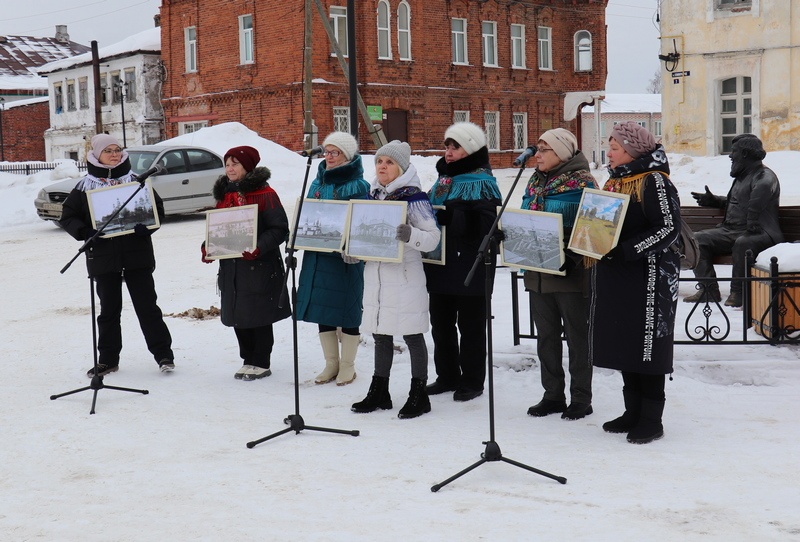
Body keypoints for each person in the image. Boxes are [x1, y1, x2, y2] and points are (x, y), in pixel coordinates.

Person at [589, 121, 681, 445]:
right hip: (620, 276)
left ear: (631, 151)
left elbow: (668, 228)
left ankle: (651, 419)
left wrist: (627, 250)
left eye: (614, 148)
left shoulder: (654, 181)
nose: (608, 153)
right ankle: (633, 411)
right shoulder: (615, 180)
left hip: (650, 277)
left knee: (648, 346)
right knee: (625, 341)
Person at [60, 133, 175, 377]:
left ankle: (163, 354)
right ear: (96, 155)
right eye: (108, 151)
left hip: (137, 254)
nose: (114, 154)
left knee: (147, 307)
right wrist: (86, 232)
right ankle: (108, 359)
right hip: (103, 257)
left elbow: (157, 210)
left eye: (117, 149)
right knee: (109, 310)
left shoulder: (136, 181)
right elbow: (68, 217)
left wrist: (149, 226)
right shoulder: (84, 187)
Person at [350, 141, 441, 419]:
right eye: (379, 162)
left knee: (412, 334)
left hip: (404, 277)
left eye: (389, 162)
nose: (382, 167)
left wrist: (409, 234)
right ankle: (380, 390)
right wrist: (353, 251)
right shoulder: (371, 195)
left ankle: (419, 393)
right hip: (377, 276)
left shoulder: (414, 198)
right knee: (381, 334)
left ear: (400, 167)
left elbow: (433, 238)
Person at [521, 128, 596, 420]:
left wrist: (570, 253)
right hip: (539, 271)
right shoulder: (535, 180)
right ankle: (552, 394)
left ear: (562, 153)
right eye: (537, 148)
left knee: (577, 340)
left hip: (570, 274)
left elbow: (595, 229)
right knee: (546, 338)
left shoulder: (584, 183)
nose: (537, 155)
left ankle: (581, 398)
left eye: (544, 149)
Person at [424, 122, 502, 402]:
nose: (448, 151)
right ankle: (446, 375)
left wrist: (449, 217)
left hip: (470, 264)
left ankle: (471, 380)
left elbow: (486, 224)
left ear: (469, 149)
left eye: (455, 146)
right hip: (440, 263)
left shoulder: (482, 180)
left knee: (470, 327)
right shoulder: (443, 180)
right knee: (441, 325)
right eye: (447, 146)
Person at [202, 146, 291, 380]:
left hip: (259, 265)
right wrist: (208, 246)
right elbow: (218, 228)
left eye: (235, 164)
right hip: (231, 266)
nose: (230, 169)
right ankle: (247, 359)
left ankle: (261, 361)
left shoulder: (265, 194)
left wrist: (258, 246)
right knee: (238, 313)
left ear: (247, 167)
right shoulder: (224, 195)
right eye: (227, 164)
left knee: (258, 313)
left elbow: (279, 229)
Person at [295, 131, 370, 386]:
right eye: (326, 151)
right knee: (322, 308)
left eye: (334, 152)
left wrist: (353, 247)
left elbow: (363, 220)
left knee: (348, 310)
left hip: (344, 258)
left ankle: (348, 365)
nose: (328, 156)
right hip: (318, 256)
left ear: (347, 156)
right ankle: (331, 364)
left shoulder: (357, 185)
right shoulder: (317, 182)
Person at [687, 134, 782, 307]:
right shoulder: (742, 177)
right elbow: (741, 202)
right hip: (732, 231)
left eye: (734, 151)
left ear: (745, 154)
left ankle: (739, 293)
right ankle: (708, 290)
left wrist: (752, 218)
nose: (730, 156)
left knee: (743, 243)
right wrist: (715, 201)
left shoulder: (764, 176)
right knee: (697, 239)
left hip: (760, 232)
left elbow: (762, 191)